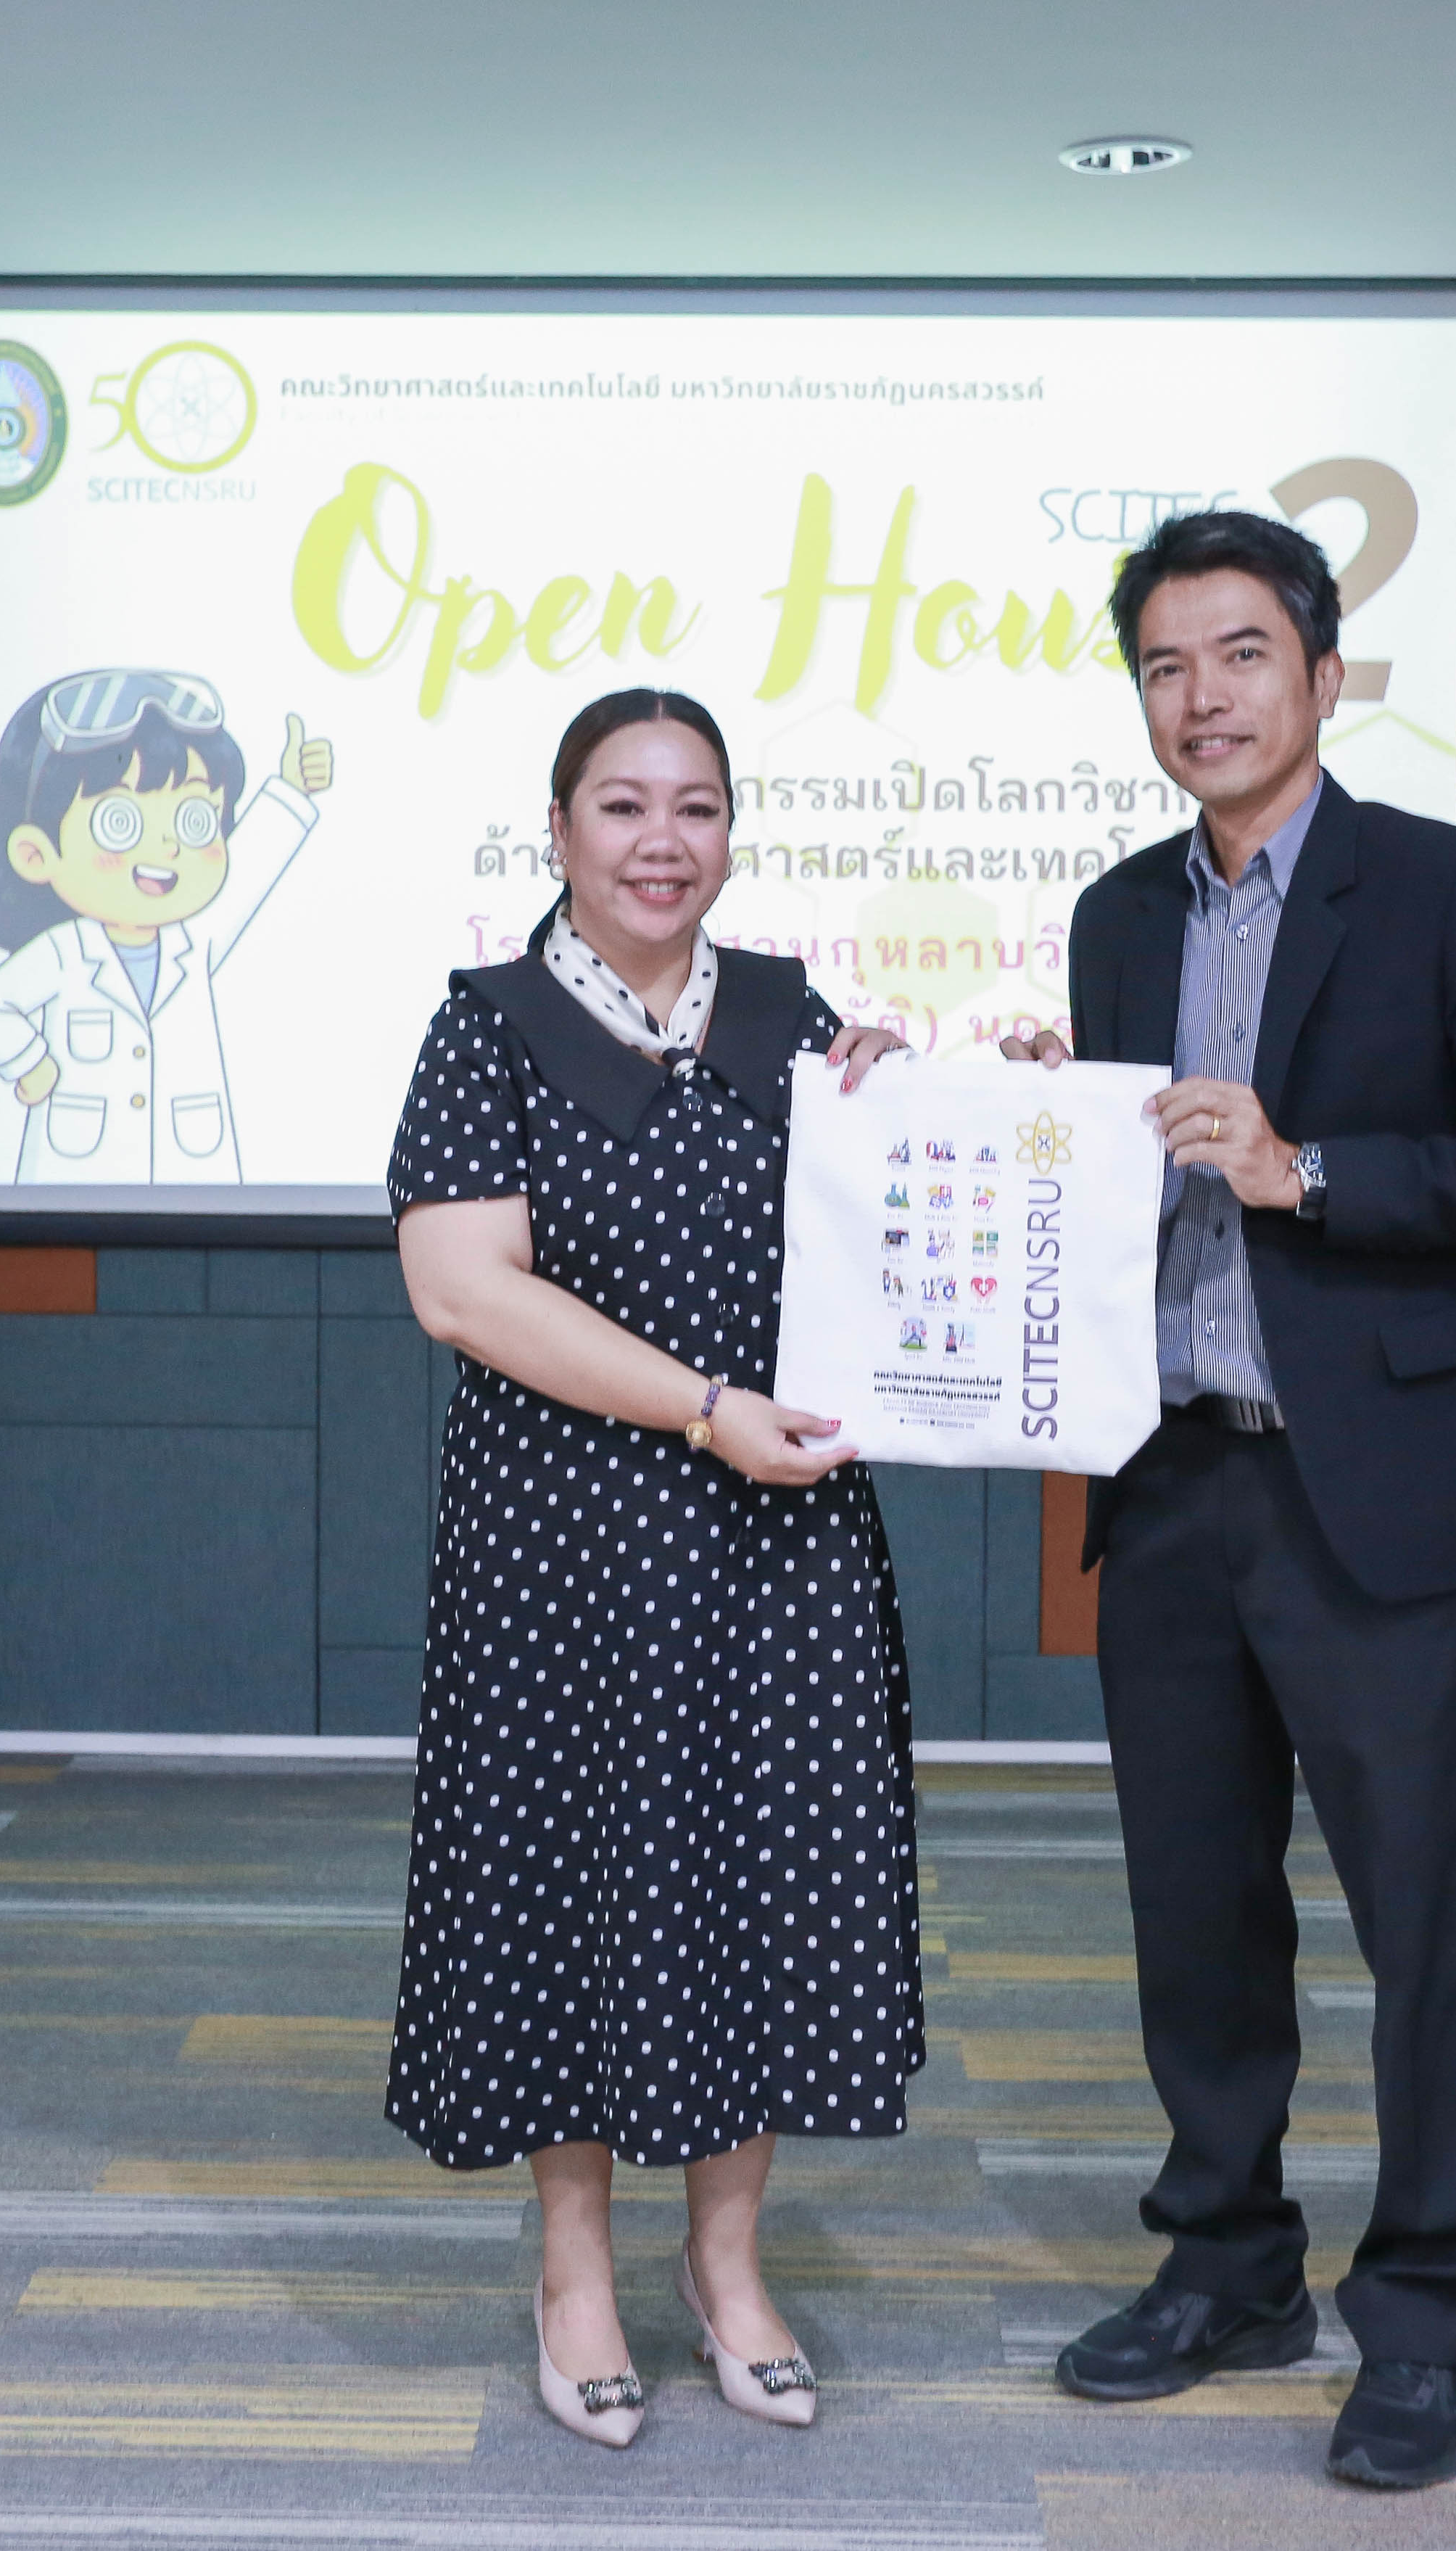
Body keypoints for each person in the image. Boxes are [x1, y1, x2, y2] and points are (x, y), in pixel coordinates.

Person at [999, 512, 1456, 2490]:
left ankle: (1423, 2321)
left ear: (1324, 676)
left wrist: (1305, 1169)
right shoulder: (1116, 912)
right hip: (1173, 1473)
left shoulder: (1444, 885)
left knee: (1418, 1925)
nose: (1202, 698)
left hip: (1376, 1492)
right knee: (1195, 1910)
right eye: (1164, 666)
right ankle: (1226, 2261)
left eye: (1240, 654)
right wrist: (1038, 1115)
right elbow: (1122, 1176)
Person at [386, 688, 919, 2449]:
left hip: (775, 1544)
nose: (660, 840)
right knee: (568, 1891)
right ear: (556, 832)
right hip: (562, 1546)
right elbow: (464, 1292)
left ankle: (727, 2263)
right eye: (620, 806)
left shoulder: (791, 1017)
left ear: (730, 834)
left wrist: (954, 1105)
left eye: (695, 806)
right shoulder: (486, 1027)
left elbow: (891, 1225)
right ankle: (573, 2272)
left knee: (761, 1886)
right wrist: (700, 1409)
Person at [0, 667, 337, 1182]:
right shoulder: (63, 954)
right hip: (74, 1187)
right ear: (36, 853)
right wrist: (29, 1063)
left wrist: (291, 790)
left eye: (196, 820)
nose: (167, 846)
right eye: (119, 822)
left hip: (195, 1182)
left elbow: (252, 872)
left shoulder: (194, 943)